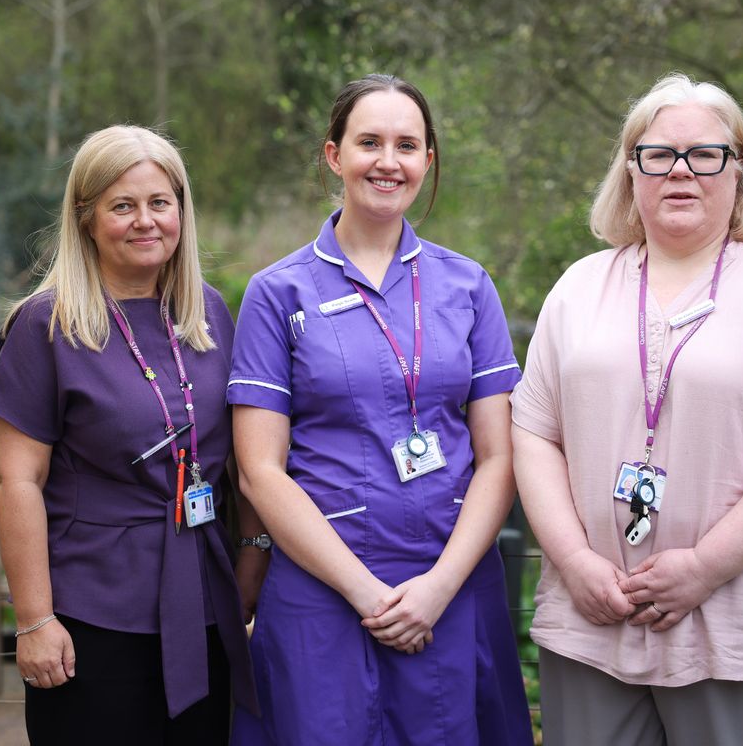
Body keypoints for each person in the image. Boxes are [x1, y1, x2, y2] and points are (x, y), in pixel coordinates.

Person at [511, 73, 743, 746]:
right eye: (658, 155)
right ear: (630, 171)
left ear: (741, 173)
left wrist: (703, 568)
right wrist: (575, 562)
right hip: (595, 626)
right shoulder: (578, 288)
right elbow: (534, 435)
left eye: (706, 154)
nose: (681, 172)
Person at [227, 74, 533, 745]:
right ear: (334, 155)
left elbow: (498, 457)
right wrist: (366, 593)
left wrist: (439, 587)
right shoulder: (277, 293)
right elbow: (259, 472)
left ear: (428, 161)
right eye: (369, 142)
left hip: (450, 590)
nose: (387, 161)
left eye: (407, 145)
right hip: (322, 595)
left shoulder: (468, 285)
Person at [0, 125, 261, 744]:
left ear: (181, 211)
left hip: (205, 601)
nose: (145, 221)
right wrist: (33, 621)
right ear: (86, 218)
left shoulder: (207, 311)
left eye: (160, 203)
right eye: (122, 206)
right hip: (89, 617)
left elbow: (244, 460)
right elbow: (16, 479)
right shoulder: (45, 325)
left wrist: (251, 563)